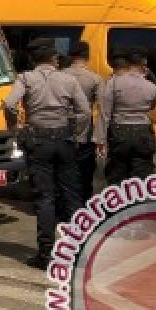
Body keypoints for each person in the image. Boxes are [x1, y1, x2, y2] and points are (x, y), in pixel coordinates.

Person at [4, 38, 89, 269]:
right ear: (54, 58)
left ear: (32, 59)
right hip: (64, 139)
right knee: (72, 195)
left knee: (45, 198)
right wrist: (77, 134)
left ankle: (45, 254)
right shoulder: (69, 80)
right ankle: (78, 252)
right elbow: (84, 111)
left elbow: (10, 104)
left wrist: (14, 127)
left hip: (38, 140)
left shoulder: (26, 78)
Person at [97, 48, 156, 186]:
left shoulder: (114, 83)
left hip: (120, 130)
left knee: (117, 172)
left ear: (128, 63)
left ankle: (119, 205)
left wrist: (100, 140)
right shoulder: (152, 87)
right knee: (142, 175)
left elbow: (105, 112)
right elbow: (152, 106)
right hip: (143, 131)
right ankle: (139, 204)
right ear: (144, 63)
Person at [62, 41, 100, 203]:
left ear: (71, 56)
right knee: (85, 172)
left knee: (64, 172)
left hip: (62, 129)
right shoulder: (94, 79)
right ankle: (84, 208)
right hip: (85, 132)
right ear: (88, 56)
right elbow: (103, 108)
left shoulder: (60, 75)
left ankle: (66, 207)